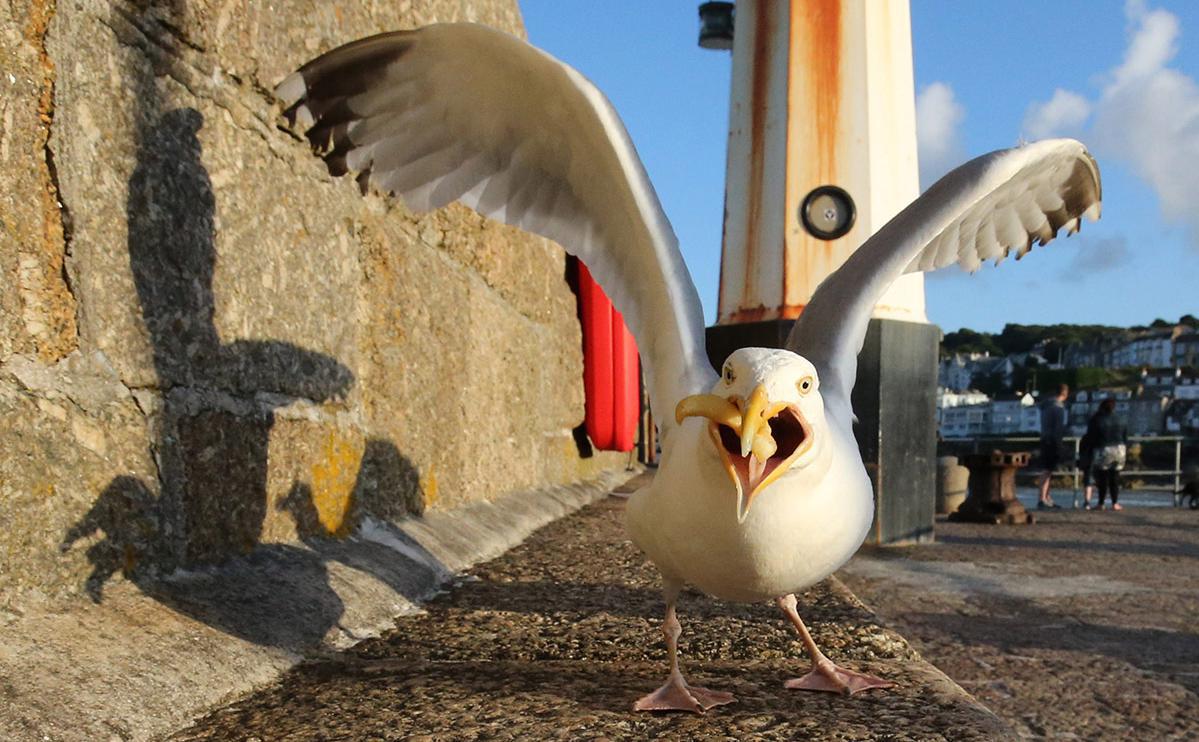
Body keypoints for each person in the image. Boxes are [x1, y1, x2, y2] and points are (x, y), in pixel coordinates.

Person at [1086, 397, 1128, 511]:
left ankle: (1101, 503)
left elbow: (1090, 436)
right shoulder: (1121, 418)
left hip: (1103, 449)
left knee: (1102, 478)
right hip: (1120, 449)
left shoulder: (1097, 419)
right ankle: (1115, 503)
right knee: (1115, 477)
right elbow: (1125, 436)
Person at [1036, 384, 1070, 509]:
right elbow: (1058, 429)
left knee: (1046, 469)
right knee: (1048, 470)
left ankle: (1045, 497)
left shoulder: (1046, 406)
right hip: (1052, 441)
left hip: (1045, 439)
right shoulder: (1058, 408)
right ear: (1065, 394)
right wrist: (1059, 444)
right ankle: (1043, 498)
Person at [1077, 422, 1097, 509]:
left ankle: (1087, 502)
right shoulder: (1098, 437)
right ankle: (1100, 502)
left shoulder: (1085, 438)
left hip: (1086, 461)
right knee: (1096, 481)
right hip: (1096, 460)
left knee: (1087, 481)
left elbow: (1081, 450)